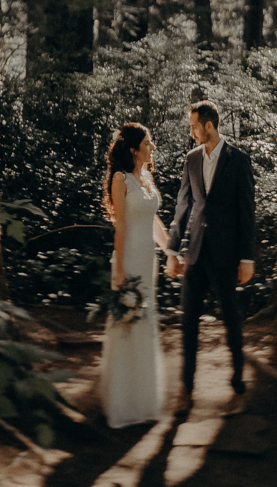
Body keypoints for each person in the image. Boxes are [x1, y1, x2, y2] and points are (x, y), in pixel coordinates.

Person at [167, 99, 257, 416]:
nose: (191, 133)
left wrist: (247, 258)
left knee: (231, 319)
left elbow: (247, 212)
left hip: (226, 254)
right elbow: (183, 207)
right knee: (188, 321)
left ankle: (237, 381)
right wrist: (172, 249)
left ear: (209, 125)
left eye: (194, 126)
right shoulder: (191, 160)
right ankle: (186, 389)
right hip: (194, 254)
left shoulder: (239, 161)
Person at [101, 121, 175, 428]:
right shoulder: (121, 179)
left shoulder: (145, 176)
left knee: (146, 319)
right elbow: (121, 226)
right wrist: (119, 270)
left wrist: (172, 251)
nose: (153, 147)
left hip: (149, 259)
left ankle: (146, 399)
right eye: (148, 143)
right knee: (127, 322)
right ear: (134, 150)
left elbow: (154, 221)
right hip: (129, 258)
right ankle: (124, 402)